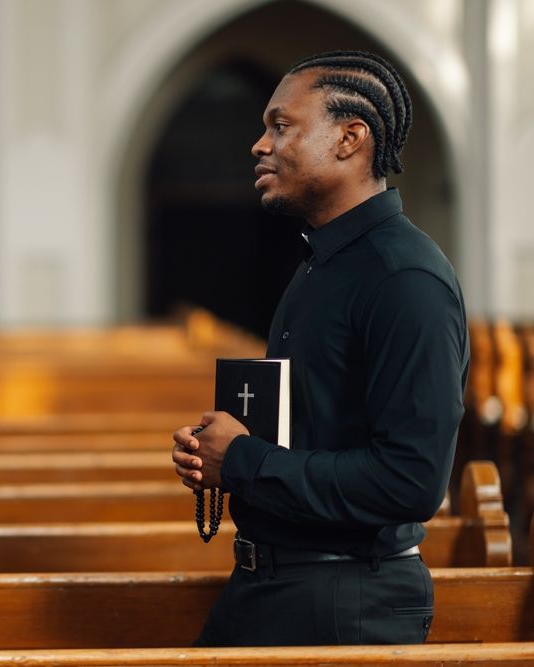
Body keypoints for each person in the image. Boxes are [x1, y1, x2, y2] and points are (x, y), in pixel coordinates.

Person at [172, 51, 469, 646]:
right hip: (280, 586)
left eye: (281, 126)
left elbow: (411, 481)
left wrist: (246, 462)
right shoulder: (325, 263)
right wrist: (223, 455)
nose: (259, 145)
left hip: (347, 600)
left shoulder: (402, 277)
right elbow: (318, 429)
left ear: (349, 139)